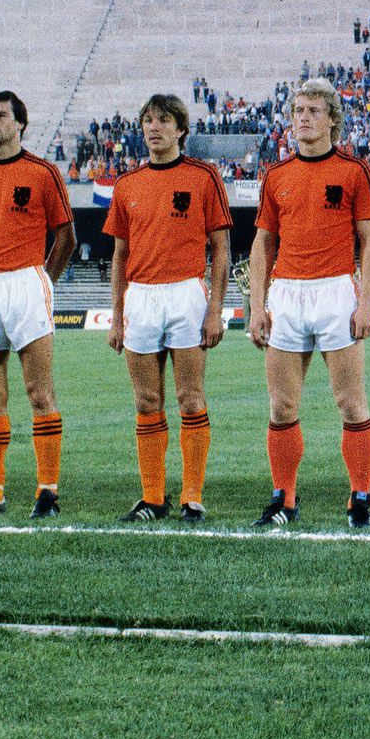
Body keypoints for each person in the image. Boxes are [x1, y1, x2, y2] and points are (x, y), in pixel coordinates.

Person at [247, 78, 370, 529]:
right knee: (282, 406)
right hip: (286, 293)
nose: (302, 118)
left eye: (312, 111)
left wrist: (366, 303)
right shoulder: (277, 175)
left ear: (331, 120)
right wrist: (256, 304)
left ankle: (359, 496)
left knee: (349, 402)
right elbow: (262, 244)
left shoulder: (354, 171)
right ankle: (283, 498)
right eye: (297, 111)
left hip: (335, 293)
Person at [104, 94, 231, 523]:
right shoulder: (127, 185)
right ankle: (153, 498)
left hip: (186, 294)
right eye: (147, 120)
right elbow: (120, 256)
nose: (153, 127)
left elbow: (221, 249)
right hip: (140, 295)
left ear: (180, 128)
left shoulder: (203, 176)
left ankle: (191, 496)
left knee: (190, 398)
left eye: (163, 120)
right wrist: (117, 316)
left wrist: (215, 310)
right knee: (145, 399)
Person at [0, 92, 76, 519]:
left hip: (26, 281)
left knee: (39, 391)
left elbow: (66, 237)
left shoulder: (42, 173)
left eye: (1, 115)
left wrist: (44, 282)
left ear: (20, 123)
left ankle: (48, 491)